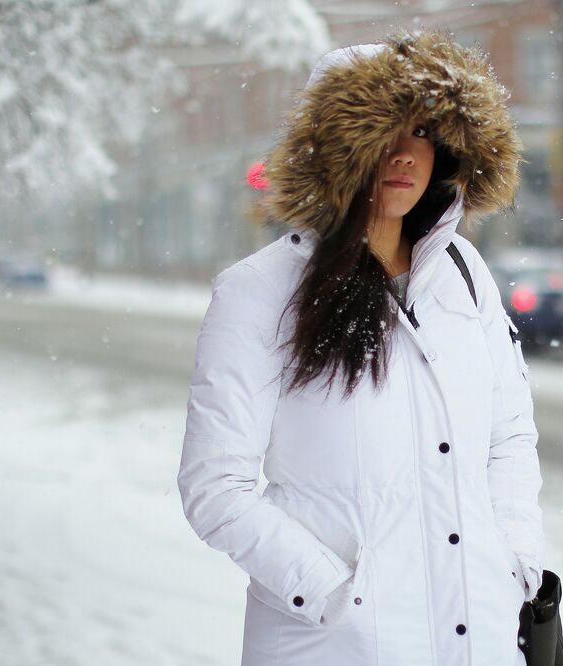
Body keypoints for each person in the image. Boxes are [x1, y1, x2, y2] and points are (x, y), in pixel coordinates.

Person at [177, 31, 543, 665]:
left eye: (422, 131)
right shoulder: (260, 291)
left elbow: (508, 435)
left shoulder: (463, 273)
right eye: (382, 132)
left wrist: (516, 560)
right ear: (338, 149)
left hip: (478, 636)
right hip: (338, 644)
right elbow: (215, 486)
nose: (404, 154)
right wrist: (332, 591)